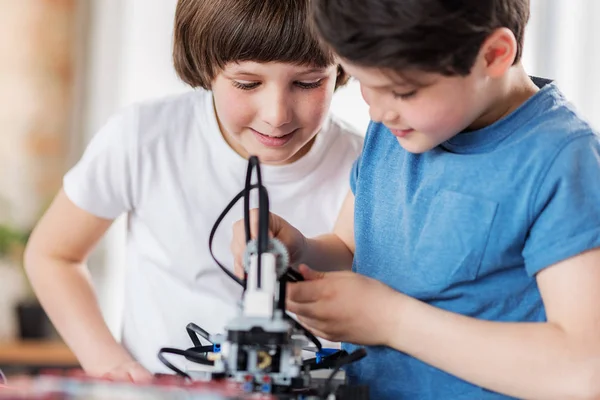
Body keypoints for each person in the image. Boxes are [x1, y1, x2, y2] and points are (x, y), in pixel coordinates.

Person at [231, 0, 600, 398]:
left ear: (493, 55)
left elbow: (582, 369)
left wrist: (391, 321)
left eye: (402, 91)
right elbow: (350, 247)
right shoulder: (401, 130)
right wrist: (299, 248)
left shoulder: (562, 161)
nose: (376, 113)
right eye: (361, 82)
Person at [23, 0, 363, 382]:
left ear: (343, 70)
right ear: (206, 67)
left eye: (308, 83)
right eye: (247, 83)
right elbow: (53, 255)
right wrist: (112, 367)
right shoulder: (144, 136)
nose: (276, 114)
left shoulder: (366, 165)